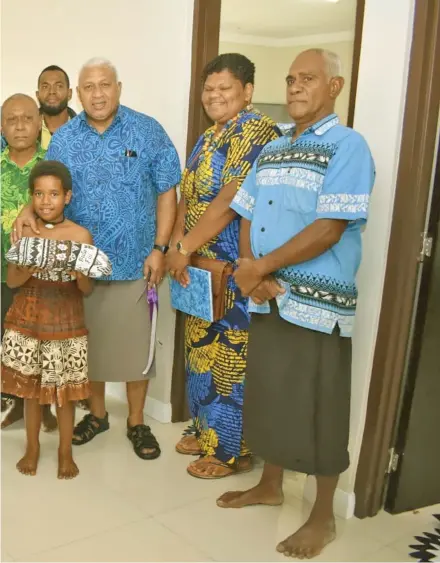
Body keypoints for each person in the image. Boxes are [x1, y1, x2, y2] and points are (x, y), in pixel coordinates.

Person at [218, 49, 375, 560]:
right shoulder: (274, 146)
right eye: (289, 79)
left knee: (318, 407)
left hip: (318, 304)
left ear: (335, 86)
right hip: (267, 299)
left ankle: (323, 515)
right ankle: (270, 485)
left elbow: (330, 227)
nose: (294, 87)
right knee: (268, 396)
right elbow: (244, 209)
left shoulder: (348, 146)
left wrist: (260, 269)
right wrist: (248, 268)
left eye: (307, 79)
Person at [13, 58, 180, 459]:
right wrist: (25, 211)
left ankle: (137, 422)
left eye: (105, 84)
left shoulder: (148, 130)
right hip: (81, 262)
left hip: (136, 261)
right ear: (79, 94)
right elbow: (46, 185)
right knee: (91, 348)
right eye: (89, 86)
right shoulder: (67, 138)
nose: (98, 93)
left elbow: (167, 191)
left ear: (118, 87)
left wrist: (161, 249)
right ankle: (99, 415)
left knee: (136, 350)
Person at [166, 53, 281, 478]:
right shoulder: (207, 137)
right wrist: (180, 247)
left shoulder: (255, 130)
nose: (214, 96)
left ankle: (231, 451)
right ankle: (204, 429)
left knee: (229, 360)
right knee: (199, 354)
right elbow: (188, 198)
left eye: (224, 89)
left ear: (247, 92)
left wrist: (186, 245)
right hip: (198, 267)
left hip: (233, 270)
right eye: (209, 89)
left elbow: (232, 197)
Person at [2, 160, 93, 478]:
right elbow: (13, 281)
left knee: (63, 394)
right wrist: (28, 266)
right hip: (29, 318)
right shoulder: (24, 231)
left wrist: (79, 271)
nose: (45, 201)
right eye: (39, 194)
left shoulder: (81, 235)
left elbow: (86, 288)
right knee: (29, 392)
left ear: (67, 196)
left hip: (65, 321)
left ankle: (65, 452)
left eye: (53, 194)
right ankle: (32, 447)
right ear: (32, 196)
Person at [1, 94, 58, 431]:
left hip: (43, 273)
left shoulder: (52, 166)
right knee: (10, 342)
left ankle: (44, 407)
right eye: (11, 119)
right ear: (1, 126)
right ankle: (19, 404)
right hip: (1, 273)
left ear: (39, 123)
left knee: (39, 341)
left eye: (26, 118)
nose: (19, 125)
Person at [36, 65, 77, 149]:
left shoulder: (85, 131)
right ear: (37, 95)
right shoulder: (24, 130)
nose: (52, 92)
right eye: (45, 87)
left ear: (69, 93)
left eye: (59, 86)